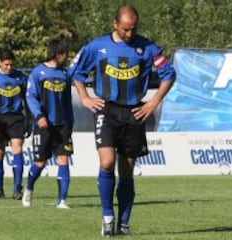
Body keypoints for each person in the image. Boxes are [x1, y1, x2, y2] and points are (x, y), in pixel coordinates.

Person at [68, 4, 175, 236]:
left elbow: (169, 74)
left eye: (133, 30)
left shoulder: (147, 48)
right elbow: (75, 72)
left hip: (135, 113)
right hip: (107, 110)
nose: (129, 34)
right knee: (106, 163)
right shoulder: (97, 46)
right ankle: (107, 216)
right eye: (125, 29)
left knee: (126, 171)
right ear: (115, 24)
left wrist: (153, 102)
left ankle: (123, 224)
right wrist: (85, 98)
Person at [22, 39, 74, 209]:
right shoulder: (38, 73)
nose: (67, 58)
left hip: (62, 125)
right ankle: (29, 188)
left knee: (63, 159)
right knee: (40, 163)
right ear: (59, 55)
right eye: (65, 54)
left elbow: (68, 101)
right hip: (44, 124)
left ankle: (62, 200)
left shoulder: (65, 74)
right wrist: (38, 115)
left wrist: (70, 122)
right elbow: (30, 97)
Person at [0, 48, 28, 200]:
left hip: (16, 118)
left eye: (12, 65)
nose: (9, 67)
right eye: (6, 64)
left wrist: (31, 119)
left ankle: (17, 189)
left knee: (17, 149)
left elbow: (28, 100)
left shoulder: (20, 78)